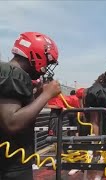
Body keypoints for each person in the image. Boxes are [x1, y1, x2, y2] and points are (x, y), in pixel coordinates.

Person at [0, 32, 61, 179]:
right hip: (11, 167)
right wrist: (47, 94)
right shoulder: (14, 74)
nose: (46, 67)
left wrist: (36, 97)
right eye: (48, 62)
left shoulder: (8, 72)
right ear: (37, 55)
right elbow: (11, 123)